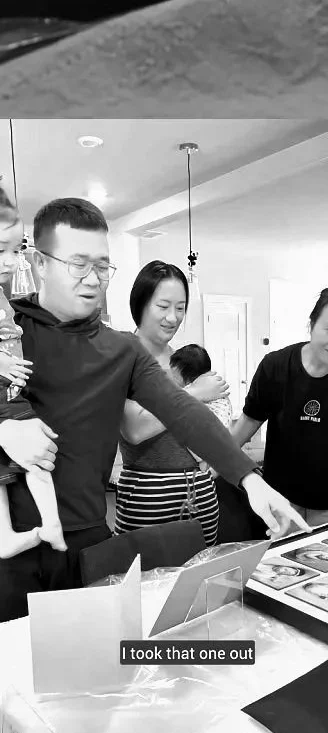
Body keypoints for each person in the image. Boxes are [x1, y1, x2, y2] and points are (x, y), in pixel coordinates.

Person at [0, 198, 304, 621]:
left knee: (92, 663)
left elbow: (181, 410)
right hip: (7, 538)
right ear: (39, 262)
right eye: (78, 263)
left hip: (86, 537)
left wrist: (251, 480)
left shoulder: (121, 350)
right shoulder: (7, 327)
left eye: (103, 266)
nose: (93, 279)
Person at [229, 286, 328, 532]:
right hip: (280, 501)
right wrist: (215, 463)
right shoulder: (275, 365)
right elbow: (248, 423)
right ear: (311, 324)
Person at [115, 261, 229, 545]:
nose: (172, 317)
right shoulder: (121, 356)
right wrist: (194, 394)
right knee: (142, 584)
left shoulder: (187, 360)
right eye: (163, 306)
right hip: (146, 497)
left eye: (180, 308)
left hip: (201, 494)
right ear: (140, 304)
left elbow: (213, 422)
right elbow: (134, 429)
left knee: (200, 581)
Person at [0, 189, 63, 558]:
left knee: (37, 454)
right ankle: (5, 534)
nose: (10, 262)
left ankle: (50, 522)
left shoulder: (3, 296)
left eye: (14, 250)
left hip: (12, 393)